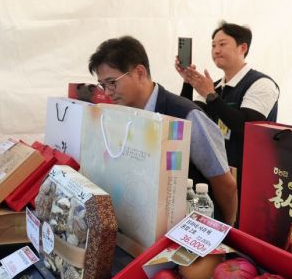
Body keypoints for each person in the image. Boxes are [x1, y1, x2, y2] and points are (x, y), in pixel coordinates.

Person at [89, 36, 238, 225]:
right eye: (103, 85)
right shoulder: (124, 114)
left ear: (140, 73)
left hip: (190, 228)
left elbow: (225, 185)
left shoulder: (185, 116)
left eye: (112, 82)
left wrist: (225, 233)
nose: (108, 92)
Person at [175, 22, 278, 185]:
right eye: (213, 45)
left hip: (251, 179)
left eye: (222, 44)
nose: (216, 50)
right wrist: (188, 82)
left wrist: (211, 96)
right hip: (217, 177)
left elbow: (247, 127)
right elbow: (188, 121)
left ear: (242, 48)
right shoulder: (214, 86)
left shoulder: (261, 84)